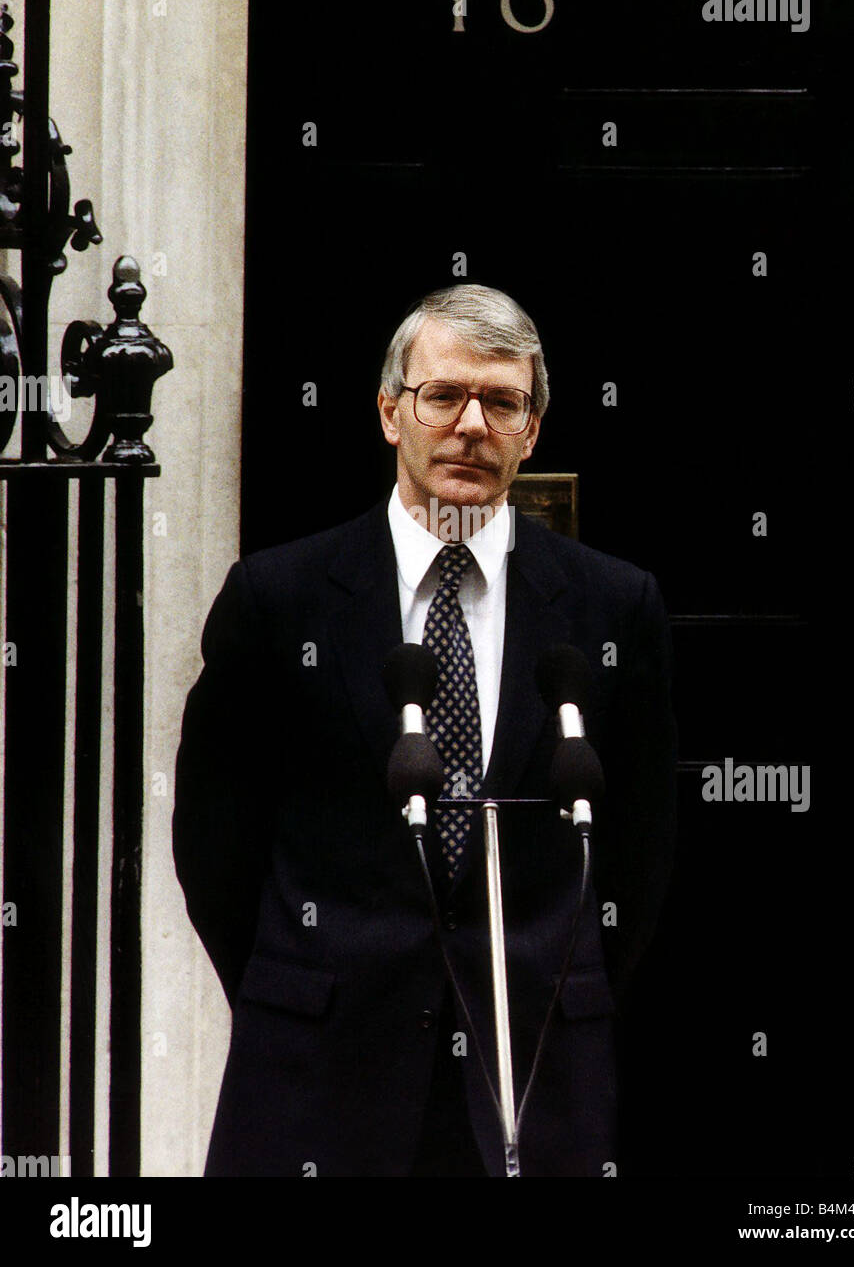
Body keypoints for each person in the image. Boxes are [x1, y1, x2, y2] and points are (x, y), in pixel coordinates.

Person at [173, 282, 677, 1177]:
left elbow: (638, 850)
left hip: (533, 1080)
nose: (471, 425)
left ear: (533, 428)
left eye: (502, 402)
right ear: (388, 413)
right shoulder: (279, 599)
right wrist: (302, 988)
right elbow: (216, 843)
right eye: (443, 396)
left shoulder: (611, 606)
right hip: (317, 1081)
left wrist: (551, 988)